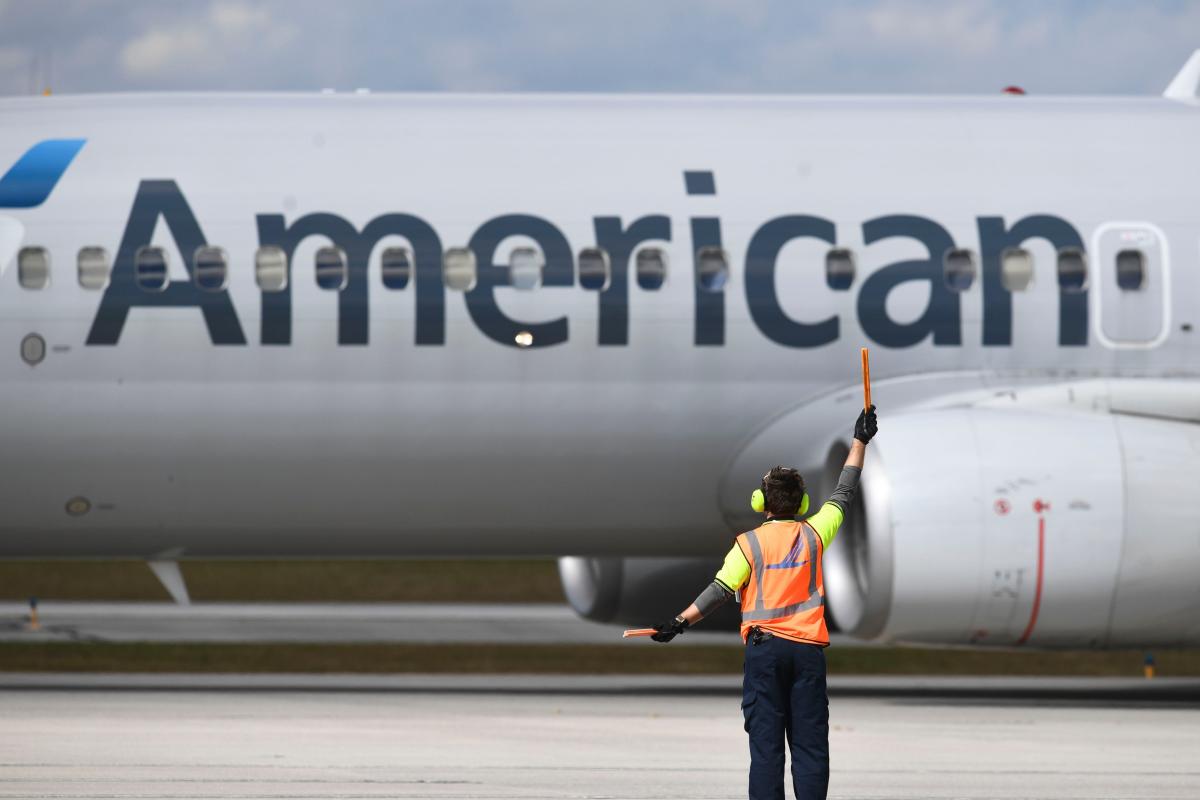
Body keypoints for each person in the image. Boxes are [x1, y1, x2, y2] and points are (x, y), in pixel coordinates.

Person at [650, 405, 878, 800]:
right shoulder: (815, 533)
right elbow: (845, 489)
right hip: (807, 653)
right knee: (810, 747)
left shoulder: (748, 544)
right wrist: (860, 440)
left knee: (766, 750)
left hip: (765, 654)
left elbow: (720, 590)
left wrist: (679, 622)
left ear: (761, 502)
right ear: (802, 503)